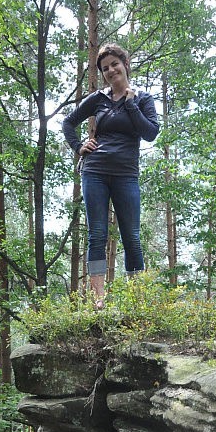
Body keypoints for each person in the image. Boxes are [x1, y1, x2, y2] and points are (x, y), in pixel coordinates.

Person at [62, 43, 159, 308]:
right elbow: (68, 122)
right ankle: (98, 301)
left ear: (125, 64)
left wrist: (130, 105)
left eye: (114, 64)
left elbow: (150, 133)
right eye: (105, 68)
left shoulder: (142, 99)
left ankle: (137, 300)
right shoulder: (97, 99)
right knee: (97, 234)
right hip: (94, 171)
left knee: (132, 236)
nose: (110, 70)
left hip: (126, 174)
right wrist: (79, 147)